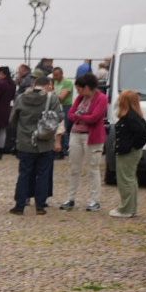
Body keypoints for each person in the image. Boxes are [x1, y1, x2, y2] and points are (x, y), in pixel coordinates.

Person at [8, 71, 62, 215]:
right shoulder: (52, 99)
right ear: (47, 85)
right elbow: (60, 117)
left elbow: (12, 120)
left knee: (24, 173)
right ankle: (40, 206)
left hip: (25, 141)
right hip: (45, 141)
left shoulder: (21, 98)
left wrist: (22, 128)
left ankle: (20, 205)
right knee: (43, 174)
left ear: (34, 84)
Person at [60, 72, 109, 212]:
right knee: (74, 168)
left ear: (87, 87)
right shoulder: (80, 98)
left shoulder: (102, 98)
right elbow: (70, 114)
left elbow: (95, 117)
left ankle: (95, 200)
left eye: (80, 89)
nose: (78, 92)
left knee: (93, 168)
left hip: (91, 137)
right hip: (76, 134)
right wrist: (80, 117)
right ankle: (70, 198)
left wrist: (80, 117)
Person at [111, 89, 146, 219]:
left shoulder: (130, 117)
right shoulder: (135, 115)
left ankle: (126, 209)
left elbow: (143, 133)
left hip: (128, 153)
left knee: (125, 181)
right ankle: (130, 208)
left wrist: (133, 146)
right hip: (130, 152)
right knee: (130, 179)